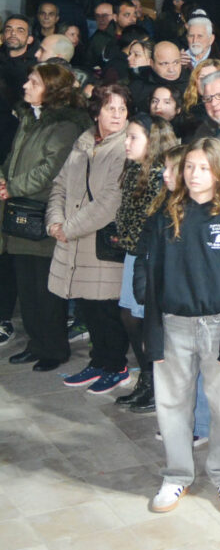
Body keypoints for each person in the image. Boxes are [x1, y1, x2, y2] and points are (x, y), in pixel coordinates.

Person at [138, 139, 220, 514]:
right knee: (172, 403)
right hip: (174, 324)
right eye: (189, 166)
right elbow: (152, 276)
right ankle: (176, 475)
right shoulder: (166, 216)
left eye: (204, 167)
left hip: (219, 325)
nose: (194, 174)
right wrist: (153, 329)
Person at [4, 64, 91, 373]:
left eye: (34, 82)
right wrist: (5, 179)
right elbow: (14, 157)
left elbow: (50, 169)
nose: (25, 86)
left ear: (52, 90)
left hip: (44, 212)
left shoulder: (66, 125)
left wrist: (11, 187)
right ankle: (36, 343)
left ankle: (54, 348)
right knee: (27, 286)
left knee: (46, 288)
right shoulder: (30, 117)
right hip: (20, 211)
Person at [49, 83, 133, 393]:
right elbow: (59, 186)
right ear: (96, 112)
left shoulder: (125, 147)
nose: (117, 115)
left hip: (101, 244)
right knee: (88, 307)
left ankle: (116, 366)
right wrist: (54, 221)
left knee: (106, 309)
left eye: (122, 109)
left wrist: (67, 229)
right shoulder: (83, 142)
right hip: (74, 240)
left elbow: (110, 202)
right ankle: (99, 361)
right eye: (111, 108)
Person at [112, 115, 177, 413]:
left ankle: (155, 384)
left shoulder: (162, 177)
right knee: (129, 315)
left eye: (133, 137)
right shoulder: (134, 171)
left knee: (143, 319)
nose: (126, 143)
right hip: (133, 252)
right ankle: (147, 379)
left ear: (152, 142)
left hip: (149, 257)